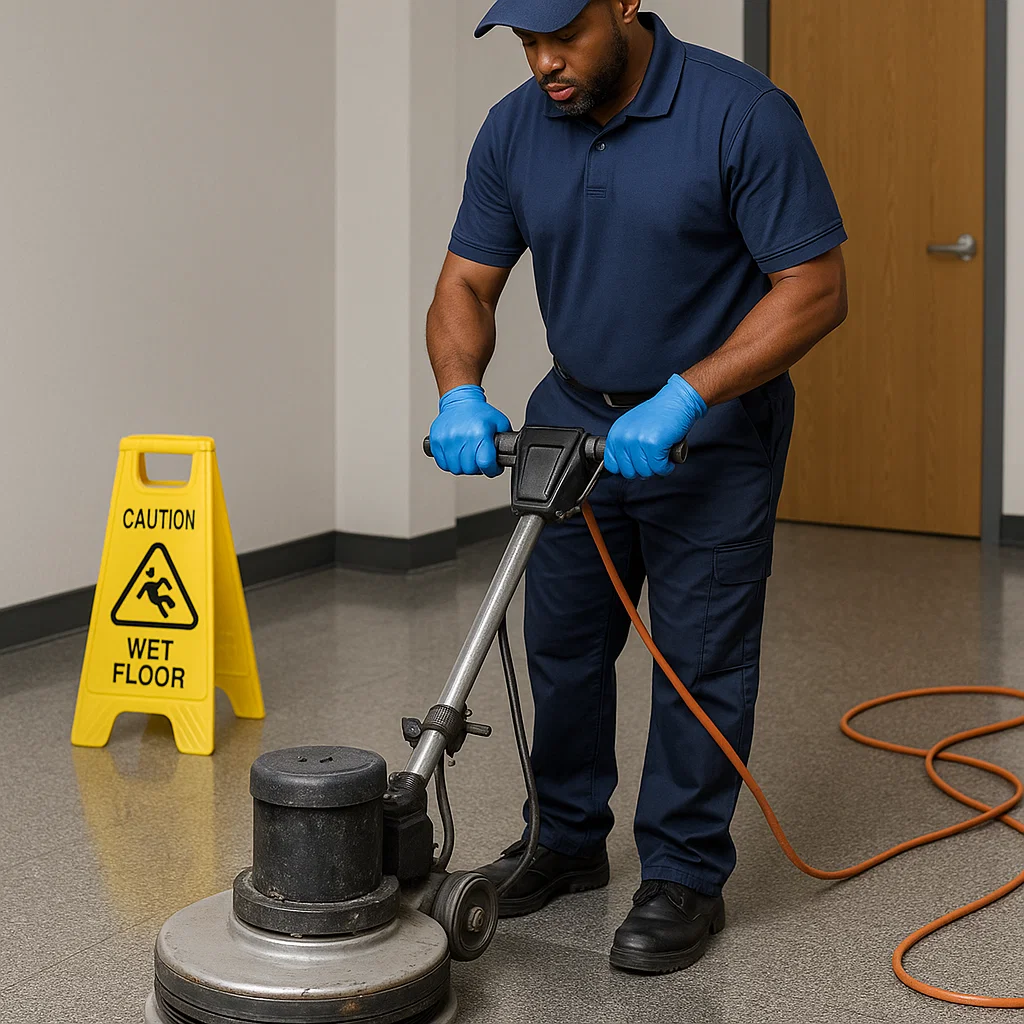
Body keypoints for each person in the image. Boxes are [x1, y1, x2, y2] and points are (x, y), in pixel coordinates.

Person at [426, 0, 847, 974]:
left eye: (561, 36)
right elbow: (465, 285)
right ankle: (565, 839)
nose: (542, 64)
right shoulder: (515, 127)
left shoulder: (741, 114)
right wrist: (458, 391)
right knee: (562, 643)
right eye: (525, 43)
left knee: (697, 658)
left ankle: (684, 873)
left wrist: (688, 393)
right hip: (571, 416)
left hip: (709, 430)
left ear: (623, 4)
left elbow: (815, 287)